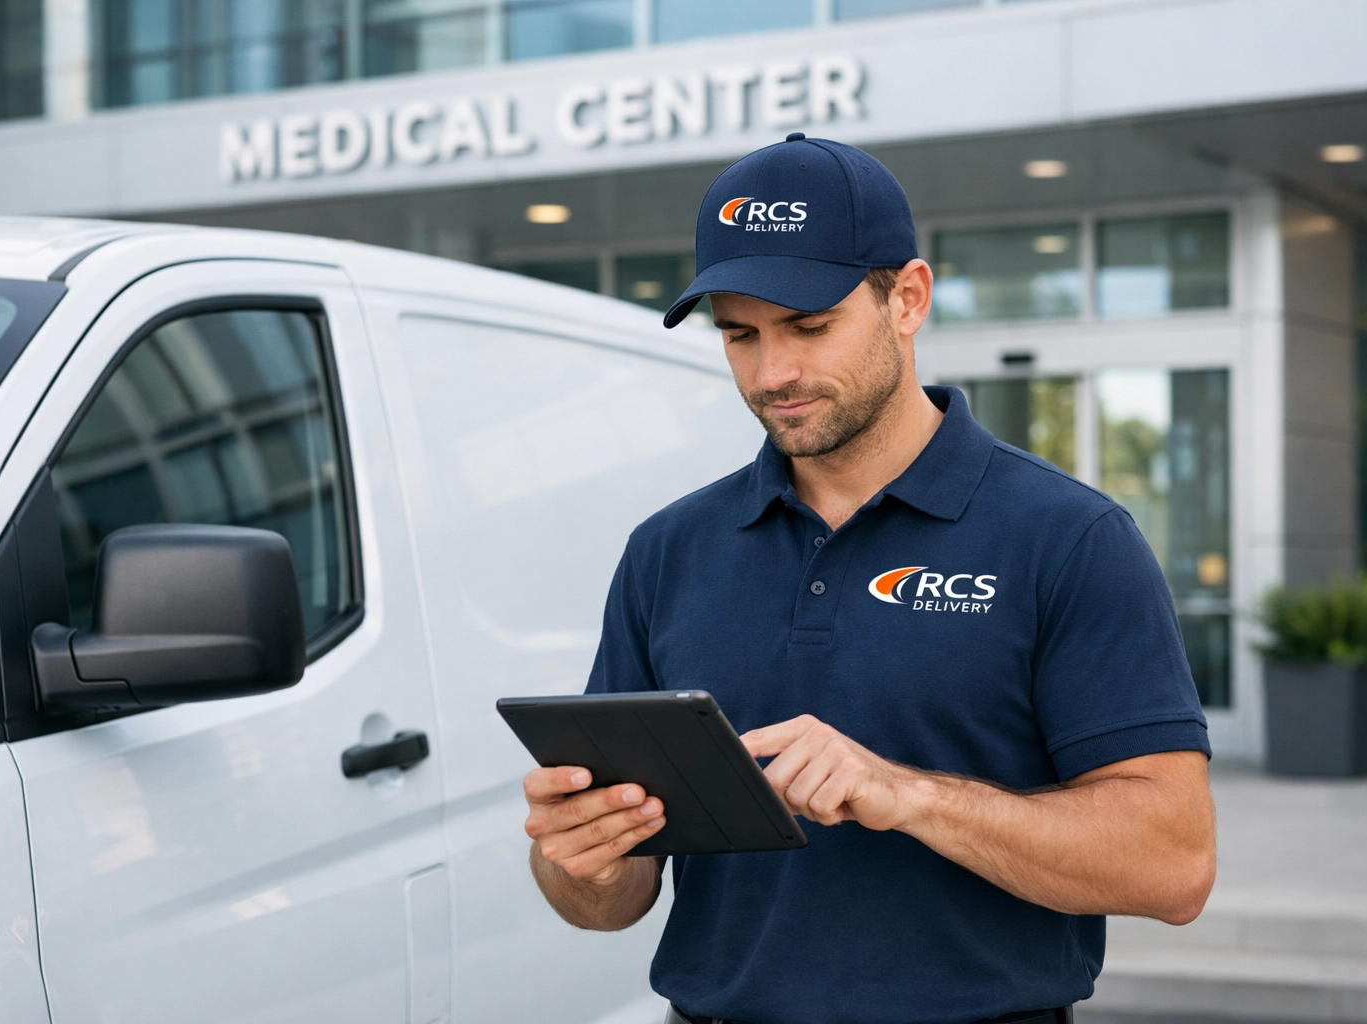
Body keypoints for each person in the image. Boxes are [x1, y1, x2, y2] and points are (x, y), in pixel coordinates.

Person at [521, 133, 1215, 1024]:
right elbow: (609, 901)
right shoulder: (669, 549)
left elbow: (1174, 866)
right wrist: (583, 858)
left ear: (908, 299)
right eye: (740, 335)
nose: (774, 373)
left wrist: (908, 795)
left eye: (810, 327)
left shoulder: (1070, 538)